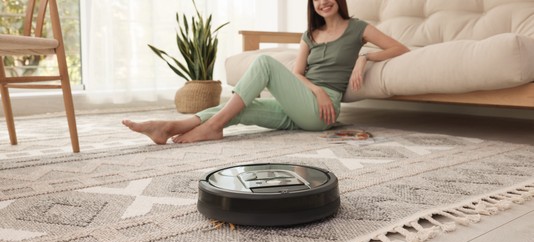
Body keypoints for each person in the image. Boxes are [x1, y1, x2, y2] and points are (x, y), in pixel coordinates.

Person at [122, 0, 409, 145]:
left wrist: (365, 58)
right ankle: (170, 127)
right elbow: (297, 74)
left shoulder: (358, 28)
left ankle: (211, 126)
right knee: (246, 108)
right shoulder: (310, 34)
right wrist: (316, 90)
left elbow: (400, 49)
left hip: (323, 112)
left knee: (265, 63)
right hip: (305, 102)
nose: (324, 1)